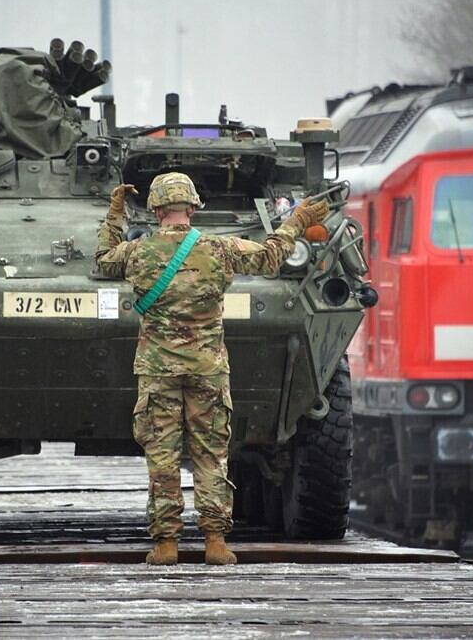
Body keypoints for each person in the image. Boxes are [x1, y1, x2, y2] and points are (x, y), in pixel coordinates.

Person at [95, 172, 329, 566]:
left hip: (158, 372)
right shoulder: (219, 248)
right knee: (211, 454)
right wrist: (297, 221)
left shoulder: (138, 253)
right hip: (208, 370)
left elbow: (103, 261)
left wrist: (116, 214)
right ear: (192, 208)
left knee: (163, 456)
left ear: (155, 210)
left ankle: (166, 544)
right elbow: (270, 257)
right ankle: (216, 541)